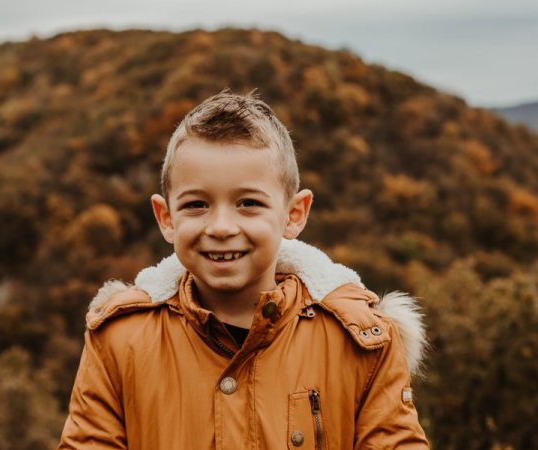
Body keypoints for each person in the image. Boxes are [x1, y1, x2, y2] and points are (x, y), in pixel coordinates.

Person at [58, 89, 430, 449]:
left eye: (248, 203)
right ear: (166, 218)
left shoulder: (361, 342)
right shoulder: (120, 340)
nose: (221, 227)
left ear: (294, 214)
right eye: (196, 205)